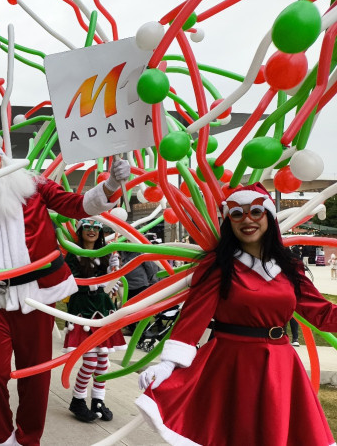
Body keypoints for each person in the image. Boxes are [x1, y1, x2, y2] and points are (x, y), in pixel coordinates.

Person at [0, 138, 130, 446]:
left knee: (35, 377)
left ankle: (28, 439)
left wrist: (111, 184)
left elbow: (76, 206)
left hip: (39, 298)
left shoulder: (36, 187)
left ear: (6, 161)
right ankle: (2, 436)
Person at [136, 183, 337, 445]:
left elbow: (321, 314)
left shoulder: (290, 268)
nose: (247, 220)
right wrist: (169, 364)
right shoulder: (219, 265)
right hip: (231, 364)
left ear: (269, 216)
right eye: (237, 214)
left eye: (255, 211)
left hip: (280, 364)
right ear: (228, 221)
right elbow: (193, 318)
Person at [63, 218, 126, 423]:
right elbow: (68, 280)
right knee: (90, 361)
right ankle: (78, 399)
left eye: (96, 228)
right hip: (82, 311)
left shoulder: (106, 253)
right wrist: (90, 284)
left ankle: (98, 400)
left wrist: (114, 271)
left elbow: (112, 286)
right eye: (88, 227)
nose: (92, 231)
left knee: (103, 363)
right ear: (81, 231)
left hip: (103, 310)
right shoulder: (74, 254)